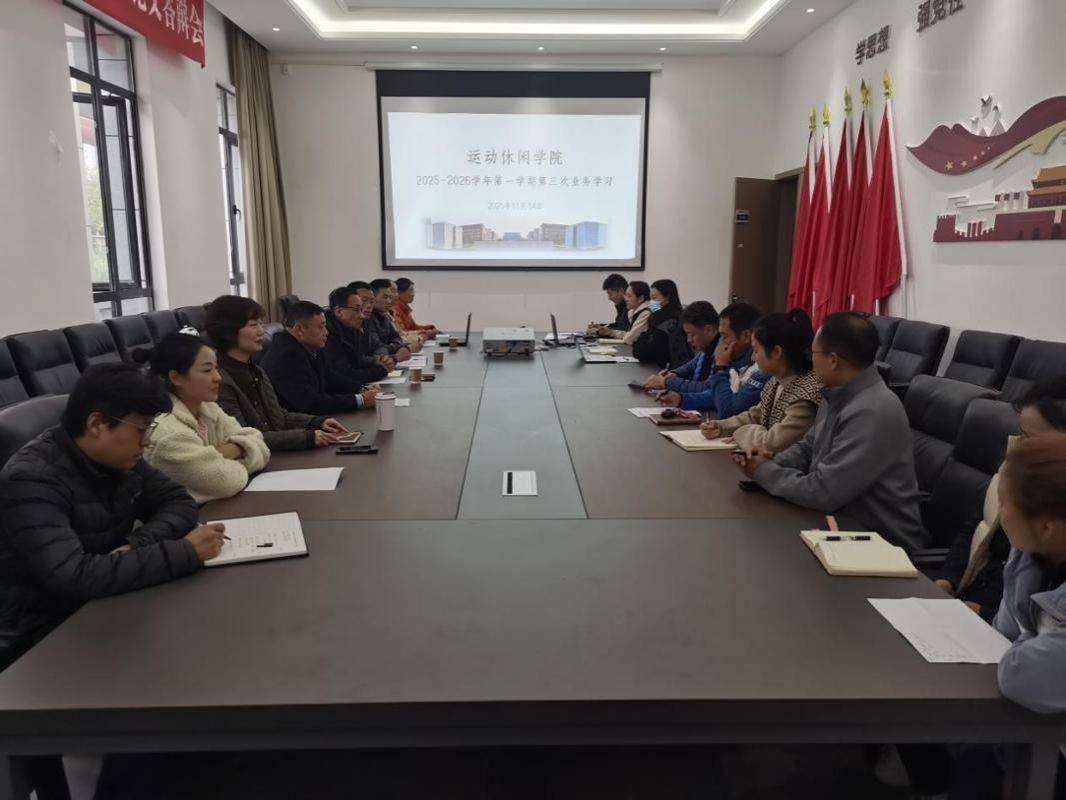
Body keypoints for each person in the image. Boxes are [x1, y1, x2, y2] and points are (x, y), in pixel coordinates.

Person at [0, 363, 225, 654]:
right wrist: (186, 551)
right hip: (44, 630)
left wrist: (136, 545)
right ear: (97, 425)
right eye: (141, 428)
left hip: (106, 597)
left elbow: (178, 501)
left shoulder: (118, 457)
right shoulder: (31, 479)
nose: (147, 441)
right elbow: (73, 576)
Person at [734, 312, 927, 552]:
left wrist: (765, 472)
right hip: (837, 525)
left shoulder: (872, 410)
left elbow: (824, 492)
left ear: (833, 360)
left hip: (880, 543)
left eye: (814, 353)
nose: (810, 359)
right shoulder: (838, 392)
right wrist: (768, 460)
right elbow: (807, 448)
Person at [931, 377, 1066, 622]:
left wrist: (985, 614)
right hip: (967, 600)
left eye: (1031, 439)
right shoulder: (1017, 468)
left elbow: (1041, 625)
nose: (1019, 447)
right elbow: (977, 523)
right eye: (1021, 435)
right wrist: (949, 578)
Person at [206, 295, 353, 452]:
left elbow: (278, 417)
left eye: (261, 324)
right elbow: (243, 439)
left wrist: (316, 422)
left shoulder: (256, 371)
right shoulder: (219, 380)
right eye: (253, 325)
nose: (261, 331)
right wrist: (307, 437)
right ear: (228, 331)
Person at [137, 333, 270, 505]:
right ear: (175, 377)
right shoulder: (166, 434)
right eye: (207, 370)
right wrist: (243, 450)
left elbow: (259, 443)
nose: (218, 377)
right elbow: (225, 482)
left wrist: (229, 450)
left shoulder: (208, 408)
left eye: (216, 368)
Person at [700, 309, 823, 454]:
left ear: (776, 352)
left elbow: (772, 443)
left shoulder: (805, 396)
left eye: (756, 350)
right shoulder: (775, 381)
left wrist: (740, 432)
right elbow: (756, 415)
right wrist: (721, 426)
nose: (753, 357)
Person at [261, 301, 380, 416]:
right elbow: (310, 403)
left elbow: (330, 378)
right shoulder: (286, 357)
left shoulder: (311, 345)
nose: (326, 332)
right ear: (299, 330)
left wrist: (361, 388)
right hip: (296, 423)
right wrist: (360, 400)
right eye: (321, 327)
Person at [653, 302, 767, 417]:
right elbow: (717, 394)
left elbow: (728, 409)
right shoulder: (735, 359)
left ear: (746, 336)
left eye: (725, 336)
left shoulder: (761, 370)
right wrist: (681, 399)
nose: (721, 343)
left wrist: (720, 368)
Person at [323, 286, 390, 393]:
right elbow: (344, 374)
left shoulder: (352, 328)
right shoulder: (327, 334)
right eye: (356, 310)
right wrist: (381, 370)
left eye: (361, 310)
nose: (362, 316)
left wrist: (377, 361)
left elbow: (359, 361)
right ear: (339, 311)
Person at [632, 279, 690, 369]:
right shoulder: (656, 317)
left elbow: (642, 352)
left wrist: (640, 341)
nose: (651, 303)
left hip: (667, 370)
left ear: (668, 298)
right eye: (650, 299)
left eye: (654, 298)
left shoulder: (669, 323)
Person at [589, 281, 651, 346]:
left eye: (629, 296)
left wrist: (611, 332)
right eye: (625, 295)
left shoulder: (646, 313)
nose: (626, 299)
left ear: (640, 298)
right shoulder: (634, 312)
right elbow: (629, 334)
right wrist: (610, 332)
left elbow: (629, 338)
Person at [367, 279, 414, 361]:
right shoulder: (368, 318)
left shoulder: (384, 315)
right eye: (385, 297)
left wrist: (393, 347)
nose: (389, 301)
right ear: (372, 298)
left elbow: (397, 339)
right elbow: (378, 349)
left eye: (390, 297)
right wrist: (396, 352)